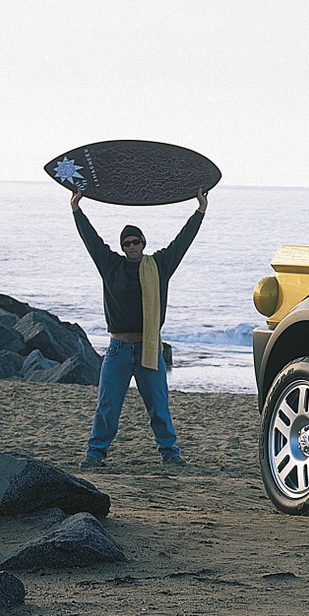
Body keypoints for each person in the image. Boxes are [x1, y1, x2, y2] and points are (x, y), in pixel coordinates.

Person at [71, 189, 208, 467]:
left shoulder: (158, 265)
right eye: (126, 244)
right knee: (107, 407)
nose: (131, 247)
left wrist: (200, 210)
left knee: (159, 406)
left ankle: (170, 455)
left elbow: (182, 241)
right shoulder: (110, 266)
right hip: (118, 349)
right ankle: (95, 454)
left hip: (148, 348)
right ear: (122, 247)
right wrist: (76, 209)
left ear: (143, 243)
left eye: (135, 242)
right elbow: (91, 240)